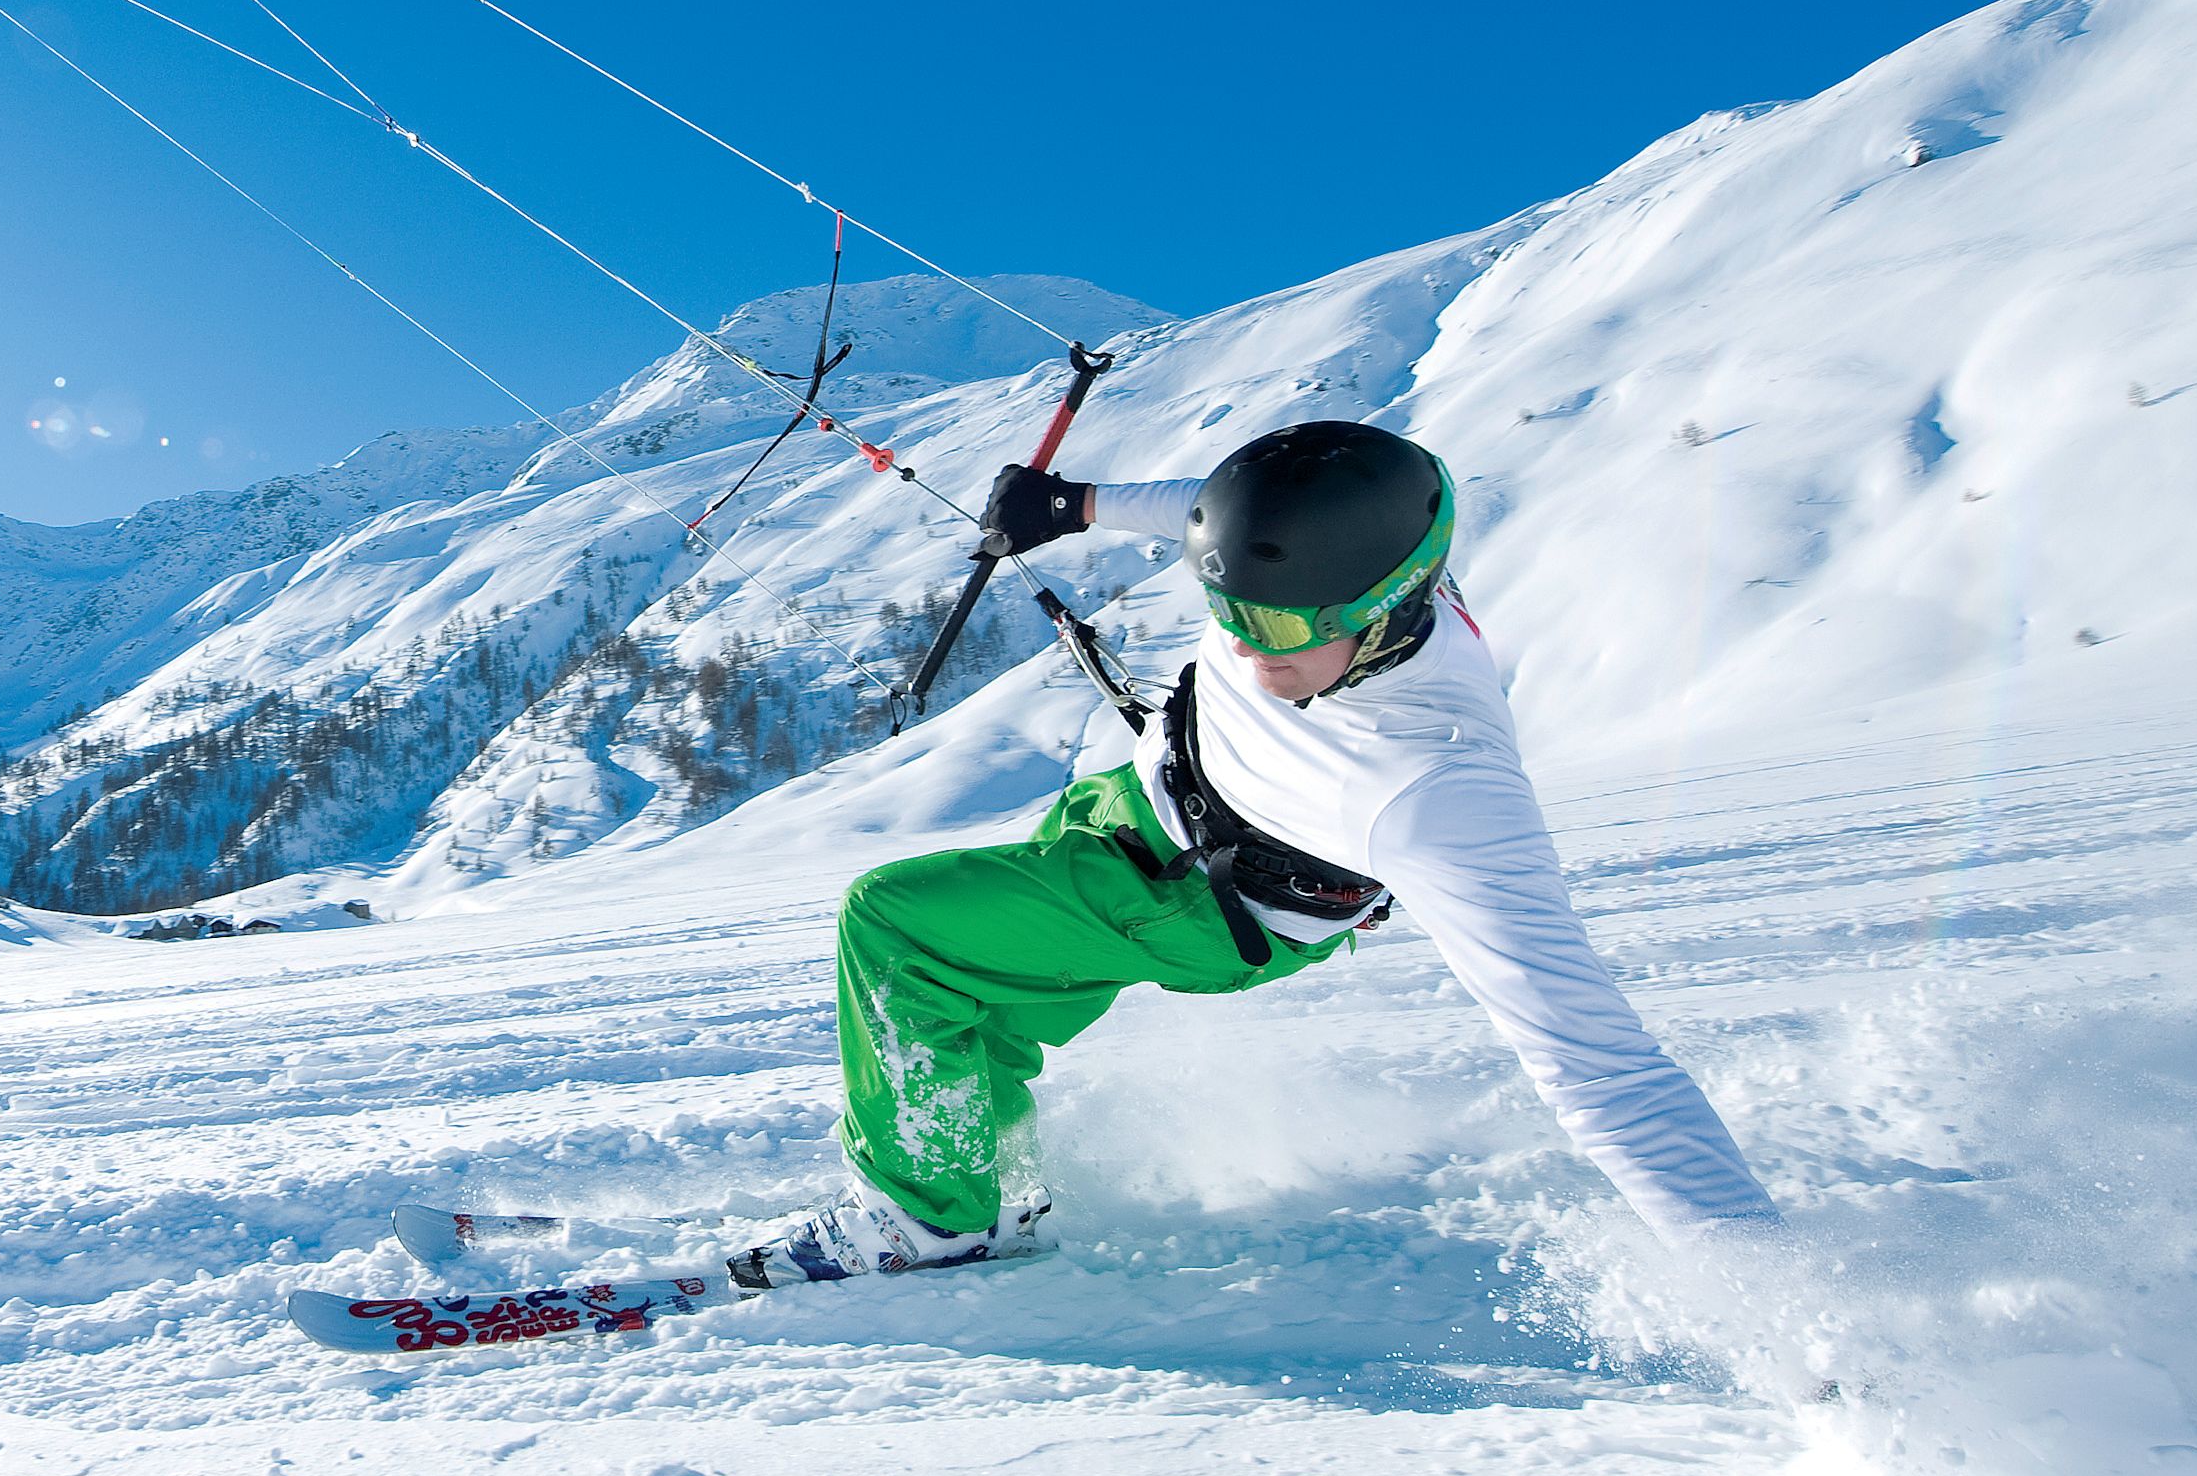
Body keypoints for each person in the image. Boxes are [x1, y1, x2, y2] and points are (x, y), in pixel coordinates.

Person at [733, 418, 1778, 1288]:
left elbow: (1603, 1064)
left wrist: (1773, 1294)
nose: (1239, 642)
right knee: (980, 990)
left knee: (896, 926)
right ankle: (988, 1181)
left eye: (1273, 625)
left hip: (1194, 901)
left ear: (1386, 607)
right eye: (1224, 605)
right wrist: (1077, 504)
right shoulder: (1350, 569)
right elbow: (1212, 510)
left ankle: (925, 1223)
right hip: (1133, 812)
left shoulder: (1438, 787)